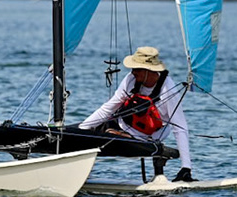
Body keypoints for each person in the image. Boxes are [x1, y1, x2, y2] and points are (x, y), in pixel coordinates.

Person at [78, 46, 195, 182]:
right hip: (120, 125)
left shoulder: (168, 90)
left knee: (106, 136)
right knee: (83, 134)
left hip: (147, 137)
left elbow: (180, 127)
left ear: (149, 70)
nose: (133, 72)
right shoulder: (131, 80)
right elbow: (108, 108)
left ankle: (122, 136)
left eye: (137, 69)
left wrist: (186, 168)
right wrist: (81, 129)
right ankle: (79, 173)